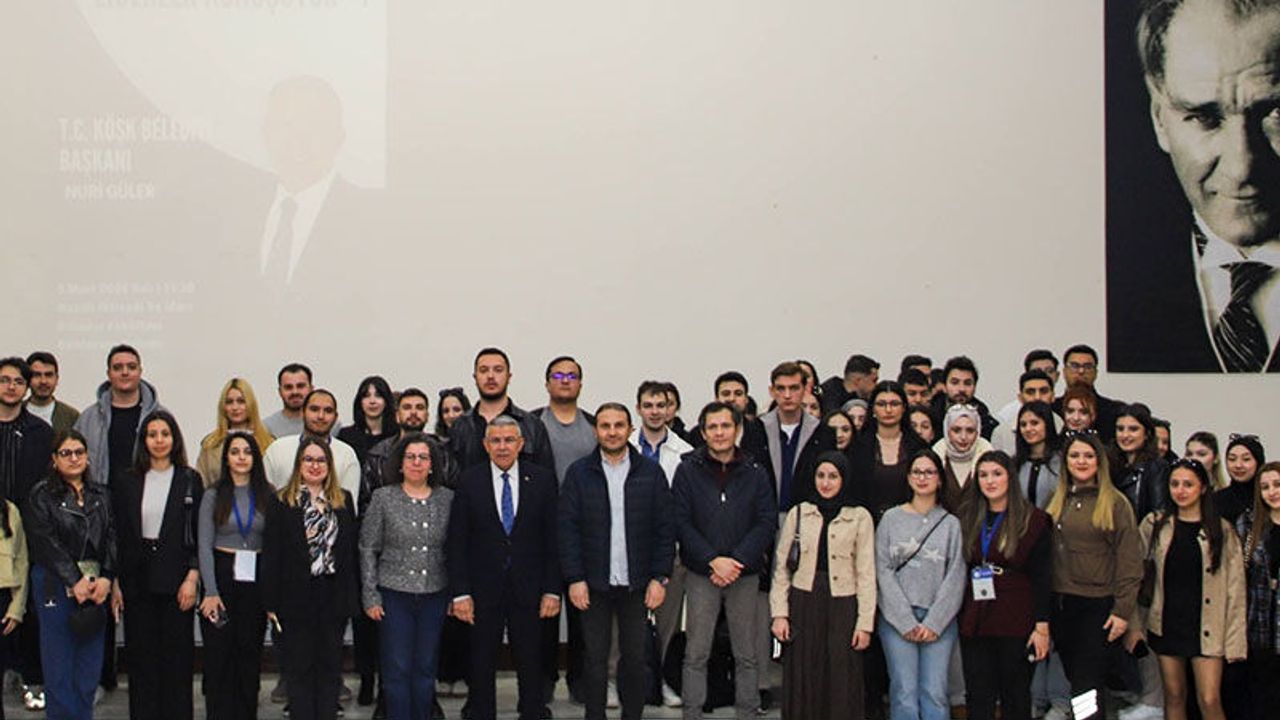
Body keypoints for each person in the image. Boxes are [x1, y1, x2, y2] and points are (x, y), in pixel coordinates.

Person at [1111, 0, 1280, 373]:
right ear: (1159, 118)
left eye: (1275, 112)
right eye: (1204, 117)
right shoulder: (1119, 277)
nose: (1241, 168)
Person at [559, 403, 675, 720]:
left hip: (637, 584)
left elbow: (665, 529)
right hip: (592, 584)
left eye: (619, 425)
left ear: (630, 430)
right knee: (594, 659)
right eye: (605, 426)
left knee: (635, 659)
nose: (612, 432)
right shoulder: (579, 473)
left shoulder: (650, 473)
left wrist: (659, 577)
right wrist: (575, 578)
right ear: (596, 431)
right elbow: (567, 529)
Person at [447, 416, 560, 720]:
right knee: (481, 658)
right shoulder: (469, 481)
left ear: (521, 444)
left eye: (509, 440)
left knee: (531, 657)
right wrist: (460, 593)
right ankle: (481, 712)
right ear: (485, 445)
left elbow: (553, 540)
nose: (502, 447)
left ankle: (533, 711)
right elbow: (457, 541)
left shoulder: (543, 480)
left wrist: (552, 590)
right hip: (483, 589)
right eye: (495, 441)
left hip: (530, 588)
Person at [673, 401, 777, 720]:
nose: (719, 433)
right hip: (702, 573)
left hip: (743, 574)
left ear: (737, 429)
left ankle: (747, 711)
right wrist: (712, 560)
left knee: (746, 652)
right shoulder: (687, 470)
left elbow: (766, 521)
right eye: (713, 427)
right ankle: (692, 712)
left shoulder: (756, 471)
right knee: (696, 652)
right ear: (703, 432)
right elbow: (680, 521)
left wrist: (737, 560)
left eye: (726, 426)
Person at [1128, 458, 1246, 720]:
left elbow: (1235, 590)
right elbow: (1132, 572)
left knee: (1209, 698)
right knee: (1174, 695)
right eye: (1175, 484)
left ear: (1203, 488)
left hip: (1208, 626)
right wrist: (1134, 625)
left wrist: (1235, 642)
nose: (1180, 490)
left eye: (1188, 484)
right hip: (1168, 622)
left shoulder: (1222, 530)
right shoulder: (1155, 524)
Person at [72, 343, 159, 691]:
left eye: (131, 366)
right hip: (98, 514)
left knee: (139, 593)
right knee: (99, 591)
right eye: (118, 367)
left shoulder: (157, 416)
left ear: (140, 371)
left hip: (143, 514)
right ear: (108, 373)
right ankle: (100, 678)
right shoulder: (88, 418)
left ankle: (143, 677)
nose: (125, 372)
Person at [770, 451, 875, 720]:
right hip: (804, 602)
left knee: (841, 674)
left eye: (833, 477)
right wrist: (779, 614)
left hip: (843, 604)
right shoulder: (799, 513)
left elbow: (866, 573)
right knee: (805, 673)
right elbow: (781, 568)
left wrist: (864, 624)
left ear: (844, 479)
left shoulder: (860, 516)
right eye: (821, 476)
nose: (826, 483)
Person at [111, 410, 202, 720]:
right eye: (152, 435)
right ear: (143, 440)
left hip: (177, 578)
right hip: (137, 579)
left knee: (177, 660)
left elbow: (197, 533)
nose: (159, 440)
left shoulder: (189, 479)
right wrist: (116, 581)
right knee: (141, 660)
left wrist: (192, 577)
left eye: (165, 434)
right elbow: (118, 533)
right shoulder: (127, 480)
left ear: (174, 439)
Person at [261, 437, 360, 720]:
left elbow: (349, 554)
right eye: (308, 460)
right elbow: (272, 554)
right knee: (299, 668)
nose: (315, 466)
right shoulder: (281, 501)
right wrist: (270, 601)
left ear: (329, 465)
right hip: (294, 599)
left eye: (321, 460)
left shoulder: (342, 500)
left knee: (329, 668)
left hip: (332, 597)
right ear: (298, 464)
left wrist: (351, 598)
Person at [1047, 432, 1142, 719]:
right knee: (1076, 679)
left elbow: (1130, 563)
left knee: (1086, 684)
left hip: (1098, 607)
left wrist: (1122, 611)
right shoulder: (1057, 500)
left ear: (1099, 461)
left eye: (1088, 456)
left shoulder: (1116, 503)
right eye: (1075, 456)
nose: (1081, 461)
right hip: (1062, 605)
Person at [360, 432, 455, 720]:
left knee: (425, 668)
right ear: (399, 464)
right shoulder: (383, 498)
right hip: (393, 596)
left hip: (434, 596)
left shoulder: (448, 499)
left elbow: (456, 550)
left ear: (432, 465)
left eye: (423, 457)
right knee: (397, 668)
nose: (416, 463)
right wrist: (370, 595)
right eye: (410, 457)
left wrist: (455, 595)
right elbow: (368, 548)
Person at [26, 430, 117, 720]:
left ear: (88, 457)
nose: (74, 458)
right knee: (59, 666)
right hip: (55, 584)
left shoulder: (101, 495)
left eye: (79, 452)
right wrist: (74, 579)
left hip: (95, 587)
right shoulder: (42, 495)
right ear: (54, 459)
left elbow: (113, 537)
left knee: (89, 667)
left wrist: (107, 577)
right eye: (66, 453)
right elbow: (45, 542)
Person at [956, 451, 1052, 720]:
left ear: (1010, 477)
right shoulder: (967, 516)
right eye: (983, 475)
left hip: (1016, 615)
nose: (990, 481)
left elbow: (1043, 577)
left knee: (1015, 694)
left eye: (997, 474)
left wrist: (1042, 627)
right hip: (976, 615)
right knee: (978, 694)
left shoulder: (1033, 520)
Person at [876, 449, 966, 720]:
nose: (922, 477)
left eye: (929, 472)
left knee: (934, 691)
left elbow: (955, 575)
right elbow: (882, 570)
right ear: (908, 477)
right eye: (916, 472)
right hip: (896, 620)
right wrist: (904, 620)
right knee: (904, 690)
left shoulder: (950, 524)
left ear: (939, 479)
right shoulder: (891, 519)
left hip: (939, 620)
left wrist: (935, 622)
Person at [198, 432, 274, 720]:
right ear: (226, 459)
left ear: (255, 458)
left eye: (247, 452)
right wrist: (210, 591)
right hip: (222, 575)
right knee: (219, 656)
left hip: (255, 577)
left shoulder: (268, 494)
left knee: (249, 654)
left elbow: (274, 545)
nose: (241, 457)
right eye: (235, 452)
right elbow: (204, 545)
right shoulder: (213, 495)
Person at [630, 380, 693, 708]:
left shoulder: (685, 453)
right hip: (627, 550)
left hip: (671, 550)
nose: (655, 412)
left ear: (671, 409)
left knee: (668, 620)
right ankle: (619, 680)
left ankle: (665, 679)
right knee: (625, 622)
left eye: (661, 405)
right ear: (638, 408)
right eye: (648, 405)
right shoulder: (623, 445)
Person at [447, 348, 556, 473]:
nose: (490, 376)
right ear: (475, 378)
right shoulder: (459, 426)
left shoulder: (532, 426)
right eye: (484, 370)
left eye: (498, 370)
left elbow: (545, 477)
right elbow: (451, 477)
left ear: (509, 377)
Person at [263, 389, 361, 507]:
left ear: (335, 417)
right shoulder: (277, 449)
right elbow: (264, 498)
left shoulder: (347, 454)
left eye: (328, 411)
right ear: (303, 412)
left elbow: (348, 506)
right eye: (314, 409)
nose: (321, 416)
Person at [1237, 461, 1280, 718]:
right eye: (1265, 487)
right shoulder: (1249, 524)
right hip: (1259, 623)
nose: (1271, 492)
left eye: (1277, 485)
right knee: (1263, 698)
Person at [850, 381, 927, 523]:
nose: (888, 410)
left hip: (912, 522)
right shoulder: (858, 447)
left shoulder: (918, 446)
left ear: (904, 408)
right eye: (881, 404)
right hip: (866, 523)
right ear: (873, 409)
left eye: (894, 404)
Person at [197, 378, 275, 487]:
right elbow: (201, 484)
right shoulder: (210, 445)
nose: (235, 407)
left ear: (251, 404)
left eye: (241, 401)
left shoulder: (268, 443)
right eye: (229, 402)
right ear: (223, 407)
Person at [535, 355, 597, 485]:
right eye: (558, 376)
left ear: (580, 385)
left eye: (572, 376)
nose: (565, 381)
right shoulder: (531, 423)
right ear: (547, 385)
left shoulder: (595, 425)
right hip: (541, 496)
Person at [1112, 404, 1171, 523]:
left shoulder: (1157, 467)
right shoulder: (1108, 463)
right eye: (1120, 429)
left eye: (1133, 429)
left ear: (1147, 434)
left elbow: (1158, 512)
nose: (1125, 435)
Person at [932, 404, 995, 513]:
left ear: (978, 432)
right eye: (956, 430)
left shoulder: (990, 458)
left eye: (970, 430)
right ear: (947, 431)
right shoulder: (935, 458)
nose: (963, 437)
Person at [1055, 346, 1123, 442]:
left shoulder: (1114, 411)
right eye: (1075, 366)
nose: (1081, 371)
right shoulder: (1053, 409)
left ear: (1095, 372)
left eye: (1088, 367)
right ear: (1064, 371)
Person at [929, 357, 999, 440]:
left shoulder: (985, 420)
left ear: (975, 386)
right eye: (955, 383)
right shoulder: (930, 415)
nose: (961, 389)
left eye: (967, 383)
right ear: (944, 385)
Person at [991, 370, 1059, 454]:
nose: (1037, 397)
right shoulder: (1002, 433)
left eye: (1043, 391)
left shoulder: (1062, 426)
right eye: (1030, 392)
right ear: (1020, 398)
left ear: (1053, 396)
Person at [338, 375, 399, 465]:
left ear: (386, 401)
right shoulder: (346, 436)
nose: (372, 401)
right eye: (366, 396)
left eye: (378, 396)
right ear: (360, 402)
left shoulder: (397, 435)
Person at [1013, 401, 1063, 509]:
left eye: (1034, 423)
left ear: (1047, 424)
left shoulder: (1062, 461)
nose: (1028, 429)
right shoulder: (1015, 464)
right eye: (1023, 425)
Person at [24, 351, 79, 436]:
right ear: (27, 379)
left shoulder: (71, 416)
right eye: (37, 375)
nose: (43, 381)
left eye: (48, 375)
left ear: (56, 379)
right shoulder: (15, 412)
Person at [1217, 433, 1265, 524]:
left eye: (1246, 459)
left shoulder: (1269, 496)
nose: (1238, 465)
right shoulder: (1216, 501)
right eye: (1232, 459)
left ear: (1259, 462)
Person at [262, 363, 315, 439]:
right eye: (288, 387)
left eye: (300, 386)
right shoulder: (266, 428)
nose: (295, 392)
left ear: (311, 389)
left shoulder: (327, 425)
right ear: (280, 391)